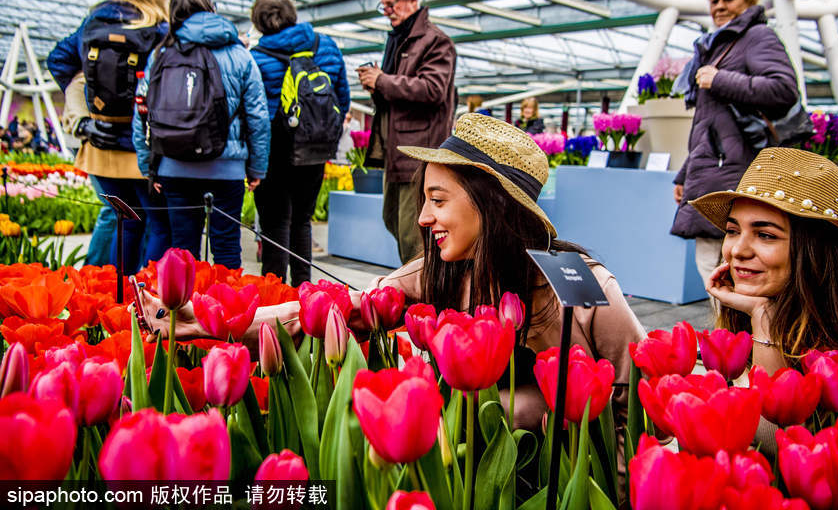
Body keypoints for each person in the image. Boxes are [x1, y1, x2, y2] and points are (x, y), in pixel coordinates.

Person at [136, 114, 645, 434]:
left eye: (437, 200)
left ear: (492, 205)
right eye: (424, 199)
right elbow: (338, 312)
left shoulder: (582, 289)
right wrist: (204, 320)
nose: (422, 218)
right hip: (466, 476)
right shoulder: (440, 274)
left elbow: (634, 406)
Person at [690, 146, 838, 444]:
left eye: (765, 235)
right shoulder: (755, 306)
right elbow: (773, 441)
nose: (737, 251)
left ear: (815, 248)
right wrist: (763, 319)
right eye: (733, 231)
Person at [670, 0, 799, 295]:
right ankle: (728, 326)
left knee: (731, 267)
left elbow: (784, 89)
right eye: (714, 0)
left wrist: (720, 79)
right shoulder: (716, 45)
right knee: (711, 264)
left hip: (737, 171)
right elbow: (708, 124)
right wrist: (685, 174)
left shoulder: (756, 36)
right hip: (715, 168)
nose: (719, 6)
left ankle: (739, 327)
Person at [132, 0, 270, 269]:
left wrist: (149, 166)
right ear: (210, 9)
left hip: (174, 166)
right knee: (227, 248)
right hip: (227, 167)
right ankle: (226, 298)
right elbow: (258, 116)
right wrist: (256, 168)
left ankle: (187, 299)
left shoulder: (161, 55)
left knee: (183, 252)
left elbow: (142, 114)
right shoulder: (239, 54)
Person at [48, 0, 171, 273]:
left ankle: (115, 292)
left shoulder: (93, 24)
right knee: (159, 225)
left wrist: (89, 101)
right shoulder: (159, 29)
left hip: (100, 144)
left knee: (126, 221)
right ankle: (150, 294)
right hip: (143, 147)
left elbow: (57, 60)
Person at [356, 0, 457, 264]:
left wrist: (382, 80)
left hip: (418, 156)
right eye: (383, 5)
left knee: (415, 239)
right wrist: (377, 87)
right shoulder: (399, 40)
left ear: (412, 0)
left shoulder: (436, 41)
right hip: (396, 155)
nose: (386, 11)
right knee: (396, 224)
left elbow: (433, 89)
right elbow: (402, 92)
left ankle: (423, 292)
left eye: (391, 4)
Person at [248, 0, 349, 285]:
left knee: (274, 224)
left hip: (274, 151)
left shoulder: (257, 57)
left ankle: (275, 294)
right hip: (315, 147)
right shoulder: (326, 46)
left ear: (259, 22)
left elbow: (254, 112)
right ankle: (304, 292)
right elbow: (342, 99)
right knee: (302, 221)